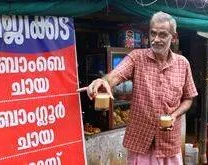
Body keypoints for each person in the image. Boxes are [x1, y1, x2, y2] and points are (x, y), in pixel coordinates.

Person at [78, 11, 198, 165]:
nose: (155, 39)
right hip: (140, 141)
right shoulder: (137, 58)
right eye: (153, 33)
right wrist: (103, 81)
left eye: (162, 35)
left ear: (173, 37)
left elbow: (188, 98)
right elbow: (116, 74)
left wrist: (174, 115)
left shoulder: (183, 64)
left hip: (169, 142)